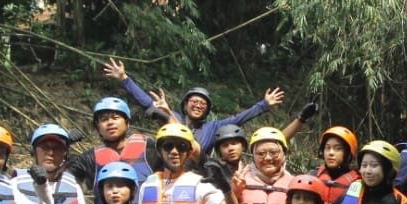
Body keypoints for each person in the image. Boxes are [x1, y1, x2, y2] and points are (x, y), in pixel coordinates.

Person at [104, 57, 295, 154]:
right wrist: (124, 79)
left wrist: (263, 105)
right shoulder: (172, 117)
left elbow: (239, 119)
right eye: (194, 102)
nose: (198, 105)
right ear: (185, 104)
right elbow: (146, 101)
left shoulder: (212, 127)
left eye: (202, 104)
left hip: (197, 177)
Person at [69, 97, 153, 188]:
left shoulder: (148, 148)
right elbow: (59, 180)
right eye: (104, 119)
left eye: (115, 118)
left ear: (127, 123)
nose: (110, 122)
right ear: (98, 128)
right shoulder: (90, 158)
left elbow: (170, 162)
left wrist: (168, 119)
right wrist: (64, 143)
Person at [311, 125, 360, 204]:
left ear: (347, 154)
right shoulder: (312, 176)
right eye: (327, 148)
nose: (331, 153)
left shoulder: (358, 182)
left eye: (338, 149)